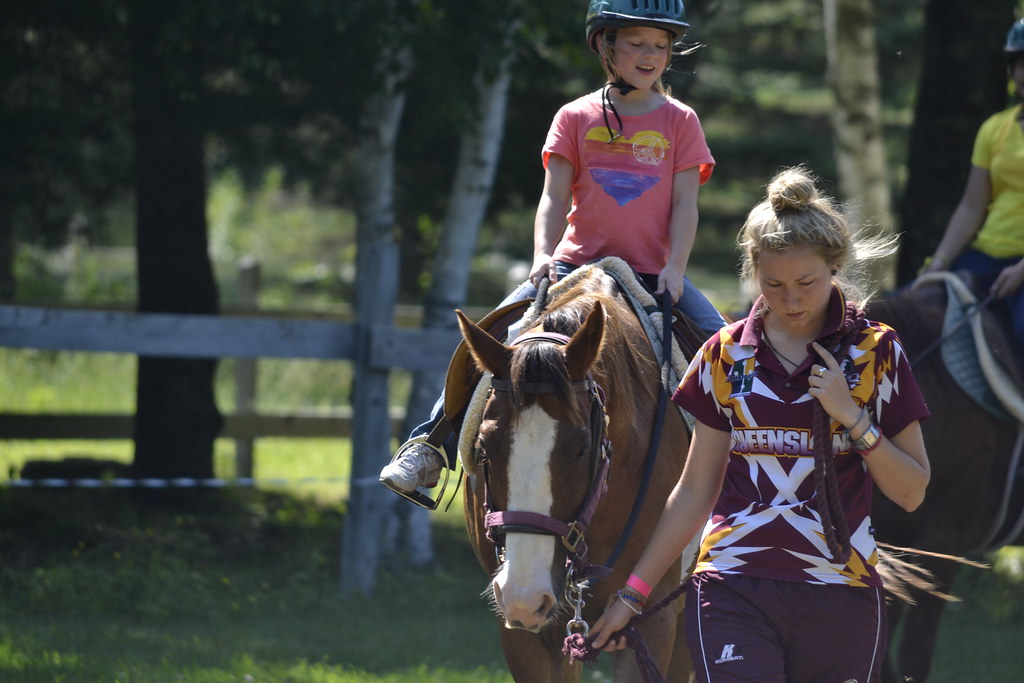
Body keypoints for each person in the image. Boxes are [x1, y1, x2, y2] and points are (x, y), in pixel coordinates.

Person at [588, 167, 932, 682]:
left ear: (835, 267)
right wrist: (632, 597)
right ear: (753, 272)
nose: (791, 301)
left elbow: (912, 491)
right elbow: (694, 489)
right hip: (733, 584)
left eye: (806, 284)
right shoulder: (724, 354)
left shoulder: (877, 352)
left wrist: (852, 417)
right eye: (774, 285)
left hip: (842, 590)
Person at [380, 0, 724, 500]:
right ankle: (431, 444)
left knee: (724, 343)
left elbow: (686, 207)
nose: (650, 55)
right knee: (492, 336)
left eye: (660, 45)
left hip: (654, 272)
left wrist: (676, 267)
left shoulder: (681, 122)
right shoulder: (575, 116)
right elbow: (553, 198)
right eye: (636, 43)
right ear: (606, 46)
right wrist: (543, 255)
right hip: (572, 264)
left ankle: (748, 460)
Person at [920, 18, 1024, 351]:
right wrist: (937, 264)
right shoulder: (994, 129)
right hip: (987, 256)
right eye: (1021, 63)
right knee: (909, 308)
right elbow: (971, 206)